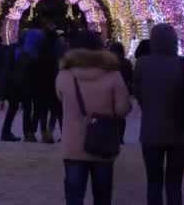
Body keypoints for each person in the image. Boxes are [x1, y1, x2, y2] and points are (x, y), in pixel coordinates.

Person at [56, 31, 132, 205]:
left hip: (73, 145)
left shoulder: (65, 75)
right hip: (102, 143)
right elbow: (122, 109)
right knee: (102, 195)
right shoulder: (113, 75)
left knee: (74, 196)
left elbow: (61, 98)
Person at [134, 23, 184, 205]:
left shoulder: (142, 64)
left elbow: (137, 93)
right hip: (180, 133)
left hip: (151, 132)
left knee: (154, 182)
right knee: (174, 183)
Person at [13, 28, 46, 142]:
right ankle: (31, 131)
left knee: (28, 109)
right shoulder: (40, 53)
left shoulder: (21, 52)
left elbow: (18, 70)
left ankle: (27, 132)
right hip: (37, 85)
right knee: (36, 109)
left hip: (25, 85)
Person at [109, 41, 133, 144]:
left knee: (112, 115)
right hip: (124, 90)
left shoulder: (109, 63)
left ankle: (114, 136)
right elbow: (130, 77)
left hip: (111, 91)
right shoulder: (126, 62)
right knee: (121, 115)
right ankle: (120, 137)